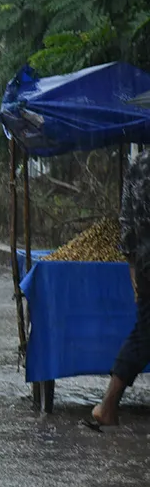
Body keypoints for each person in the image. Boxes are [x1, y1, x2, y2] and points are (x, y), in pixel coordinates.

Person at [88, 147, 150, 430]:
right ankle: (109, 404)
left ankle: (108, 406)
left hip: (145, 263)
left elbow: (127, 225)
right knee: (145, 334)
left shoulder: (137, 164)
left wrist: (133, 270)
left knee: (145, 331)